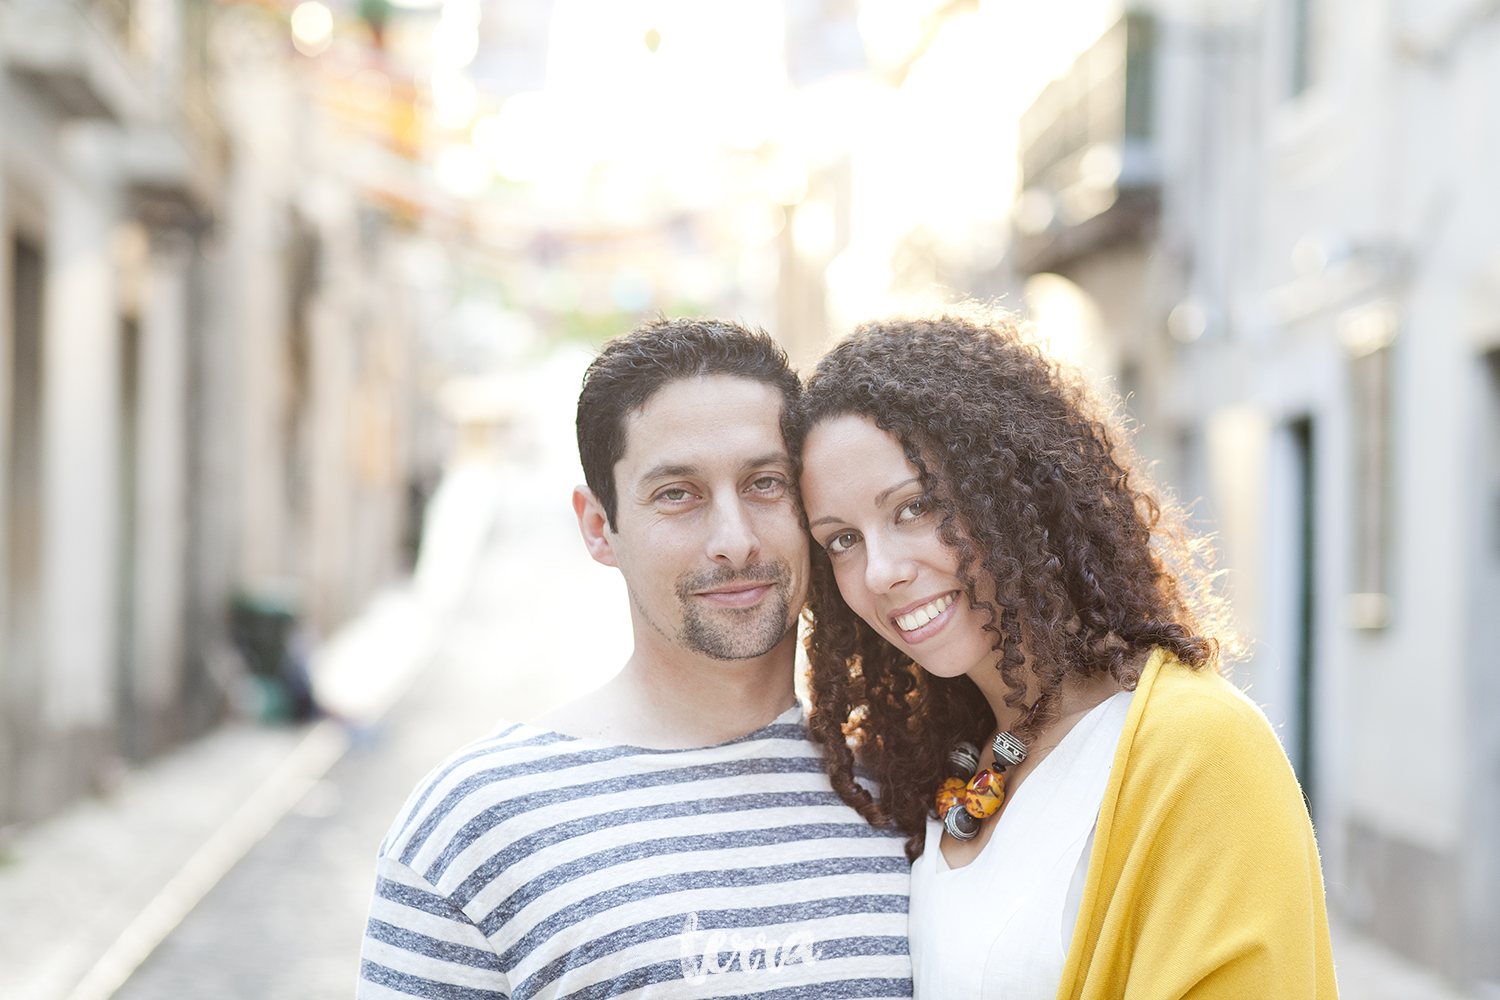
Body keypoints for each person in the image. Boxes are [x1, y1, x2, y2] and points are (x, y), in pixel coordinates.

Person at [358, 317, 913, 1000]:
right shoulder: (475, 822)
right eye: (677, 494)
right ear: (599, 527)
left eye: (766, 482)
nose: (734, 542)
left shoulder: (912, 782)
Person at [795, 311, 1337, 999]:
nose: (880, 572)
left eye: (914, 507)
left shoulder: (1197, 748)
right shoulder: (959, 755)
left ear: (1009, 487)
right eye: (841, 539)